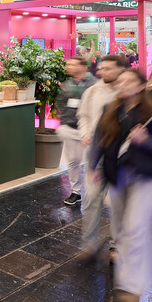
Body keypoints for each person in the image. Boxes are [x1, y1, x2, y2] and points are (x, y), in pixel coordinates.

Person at [89, 68, 152, 302]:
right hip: (117, 176)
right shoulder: (111, 111)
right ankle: (127, 276)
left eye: (130, 80)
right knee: (120, 229)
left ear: (141, 86)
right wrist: (92, 167)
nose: (123, 84)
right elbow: (99, 140)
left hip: (145, 177)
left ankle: (130, 286)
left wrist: (146, 141)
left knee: (135, 228)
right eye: (121, 80)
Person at [76, 54, 129, 259]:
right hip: (96, 155)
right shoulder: (92, 92)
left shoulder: (126, 92)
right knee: (90, 199)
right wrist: (86, 133)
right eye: (101, 68)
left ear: (120, 69)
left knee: (117, 202)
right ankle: (88, 244)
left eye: (108, 68)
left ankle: (116, 245)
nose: (101, 72)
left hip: (121, 157)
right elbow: (84, 117)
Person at [56, 56, 96, 206]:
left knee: (91, 161)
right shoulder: (67, 85)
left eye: (72, 65)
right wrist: (64, 123)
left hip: (88, 130)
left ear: (83, 66)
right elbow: (62, 104)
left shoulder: (94, 84)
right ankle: (75, 192)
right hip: (70, 128)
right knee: (72, 161)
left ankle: (94, 191)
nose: (69, 67)